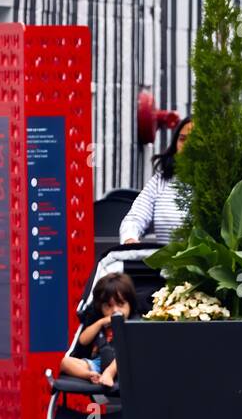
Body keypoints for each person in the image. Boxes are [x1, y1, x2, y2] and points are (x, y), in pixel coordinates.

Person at [120, 115, 193, 245]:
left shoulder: (219, 182)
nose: (187, 146)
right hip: (166, 263)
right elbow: (134, 219)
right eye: (182, 139)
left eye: (195, 140)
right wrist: (130, 239)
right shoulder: (161, 181)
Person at [59, 272, 138, 389]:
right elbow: (83, 341)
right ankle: (90, 375)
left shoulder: (134, 324)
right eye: (108, 306)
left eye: (120, 304)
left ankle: (109, 374)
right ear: (100, 307)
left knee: (127, 353)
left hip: (125, 365)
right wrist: (101, 322)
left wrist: (110, 371)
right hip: (98, 364)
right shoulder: (100, 323)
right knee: (64, 362)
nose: (115, 310)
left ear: (130, 304)